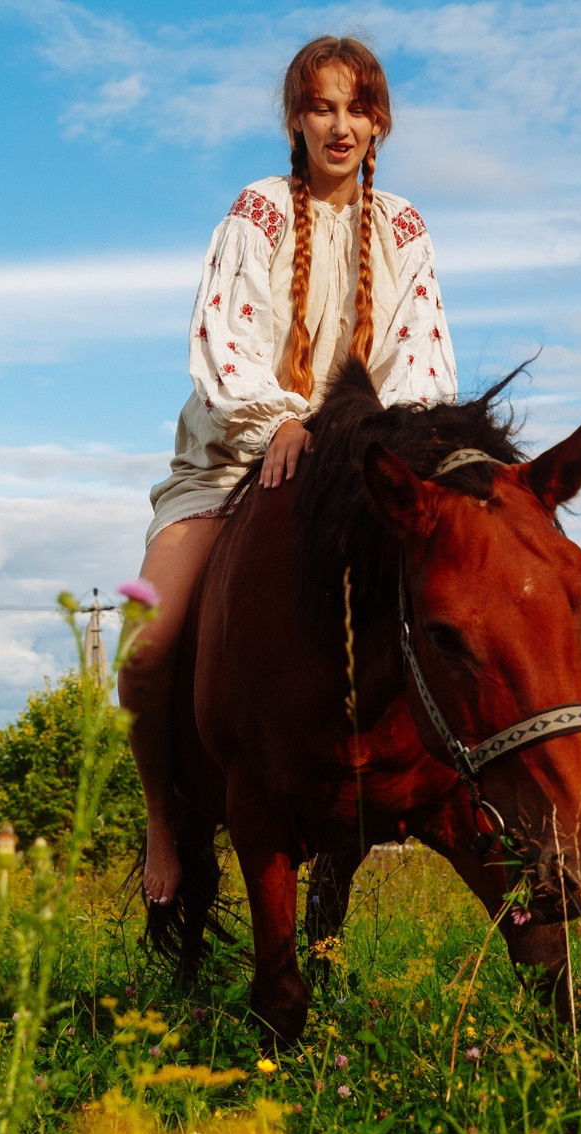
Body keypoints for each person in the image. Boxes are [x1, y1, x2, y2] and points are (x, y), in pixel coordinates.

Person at [121, 35, 457, 907]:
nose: (340, 126)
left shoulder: (407, 227)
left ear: (379, 122)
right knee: (147, 650)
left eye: (357, 108)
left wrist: (373, 448)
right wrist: (281, 420)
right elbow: (224, 340)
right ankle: (165, 818)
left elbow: (420, 362)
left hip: (351, 467)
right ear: (295, 120)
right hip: (233, 456)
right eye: (321, 107)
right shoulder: (258, 211)